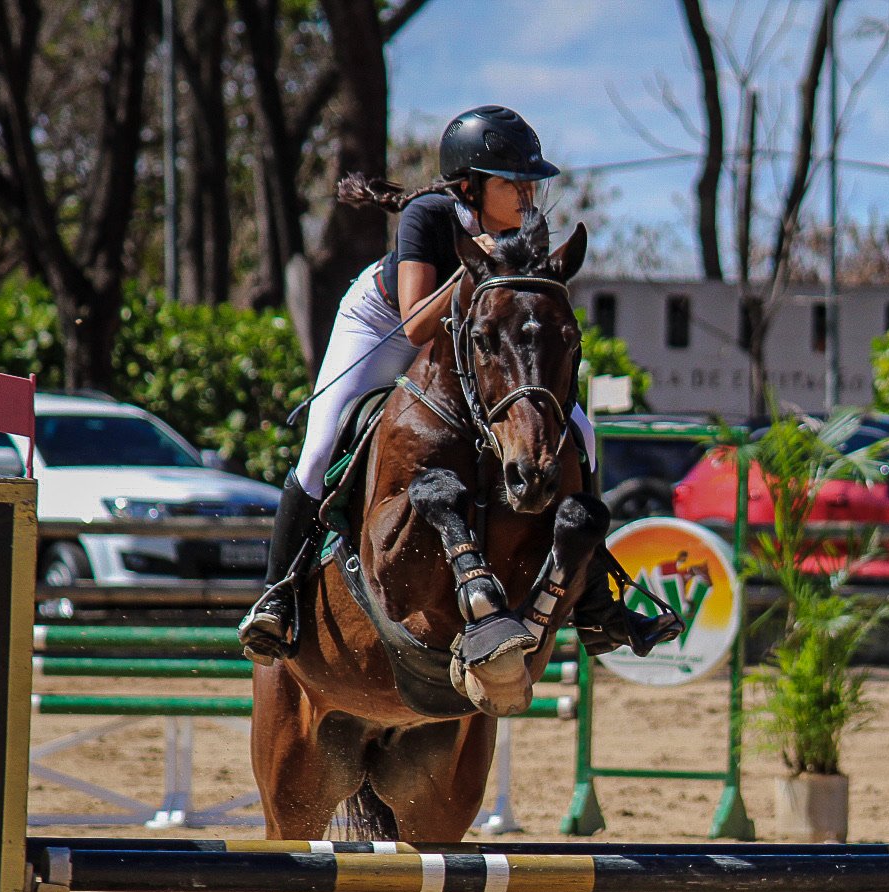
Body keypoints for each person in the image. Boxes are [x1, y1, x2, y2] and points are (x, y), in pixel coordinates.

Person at [239, 104, 679, 664]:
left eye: (530, 182)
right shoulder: (428, 214)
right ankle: (277, 596)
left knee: (581, 435)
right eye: (514, 182)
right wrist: (476, 268)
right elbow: (416, 323)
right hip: (385, 326)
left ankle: (597, 600)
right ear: (471, 185)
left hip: (469, 343)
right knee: (321, 445)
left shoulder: (522, 231)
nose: (527, 195)